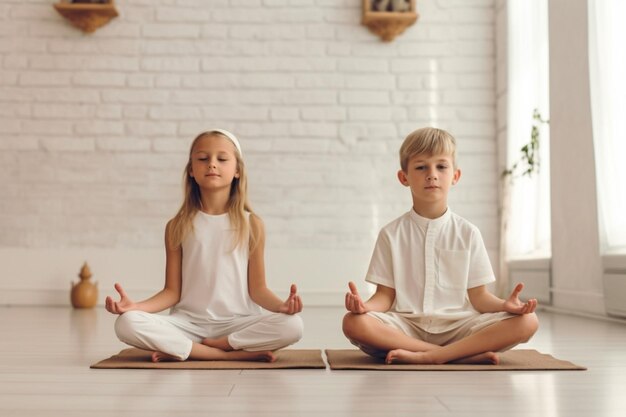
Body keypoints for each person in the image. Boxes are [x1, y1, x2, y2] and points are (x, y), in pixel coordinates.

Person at [342, 127, 538, 365]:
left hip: (459, 327)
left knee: (528, 321)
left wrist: (504, 306)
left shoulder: (468, 233)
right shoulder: (390, 234)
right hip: (406, 327)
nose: (431, 174)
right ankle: (454, 355)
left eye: (441, 167)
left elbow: (479, 298)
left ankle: (433, 356)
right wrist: (364, 306)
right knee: (353, 322)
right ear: (404, 177)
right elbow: (385, 296)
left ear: (455, 176)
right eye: (421, 167)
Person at [105, 129, 303, 363]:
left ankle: (213, 346)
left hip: (237, 323)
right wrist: (137, 307)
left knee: (293, 325)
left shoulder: (252, 224)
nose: (211, 164)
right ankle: (223, 354)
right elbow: (172, 292)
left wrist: (283, 307)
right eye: (202, 159)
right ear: (191, 170)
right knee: (126, 323)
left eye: (221, 159)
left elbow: (257, 289)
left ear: (237, 170)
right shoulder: (177, 226)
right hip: (189, 324)